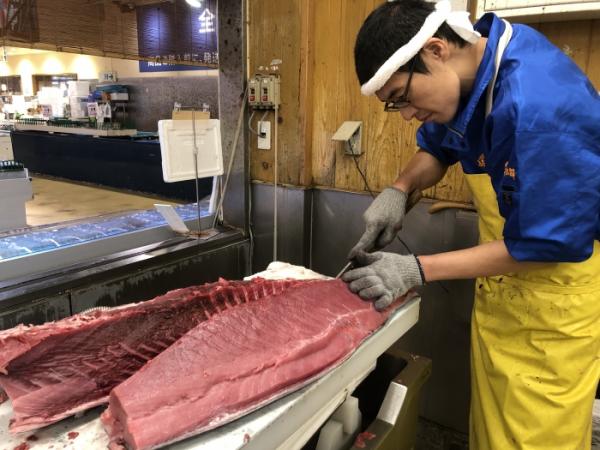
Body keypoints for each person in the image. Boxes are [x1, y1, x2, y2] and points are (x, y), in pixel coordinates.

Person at [343, 0, 600, 448]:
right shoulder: (470, 76)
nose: (406, 114)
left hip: (553, 306)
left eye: (402, 97)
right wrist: (400, 189)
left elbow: (542, 246)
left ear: (436, 49)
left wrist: (414, 269)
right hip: (503, 296)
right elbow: (439, 147)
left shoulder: (536, 107)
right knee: (490, 432)